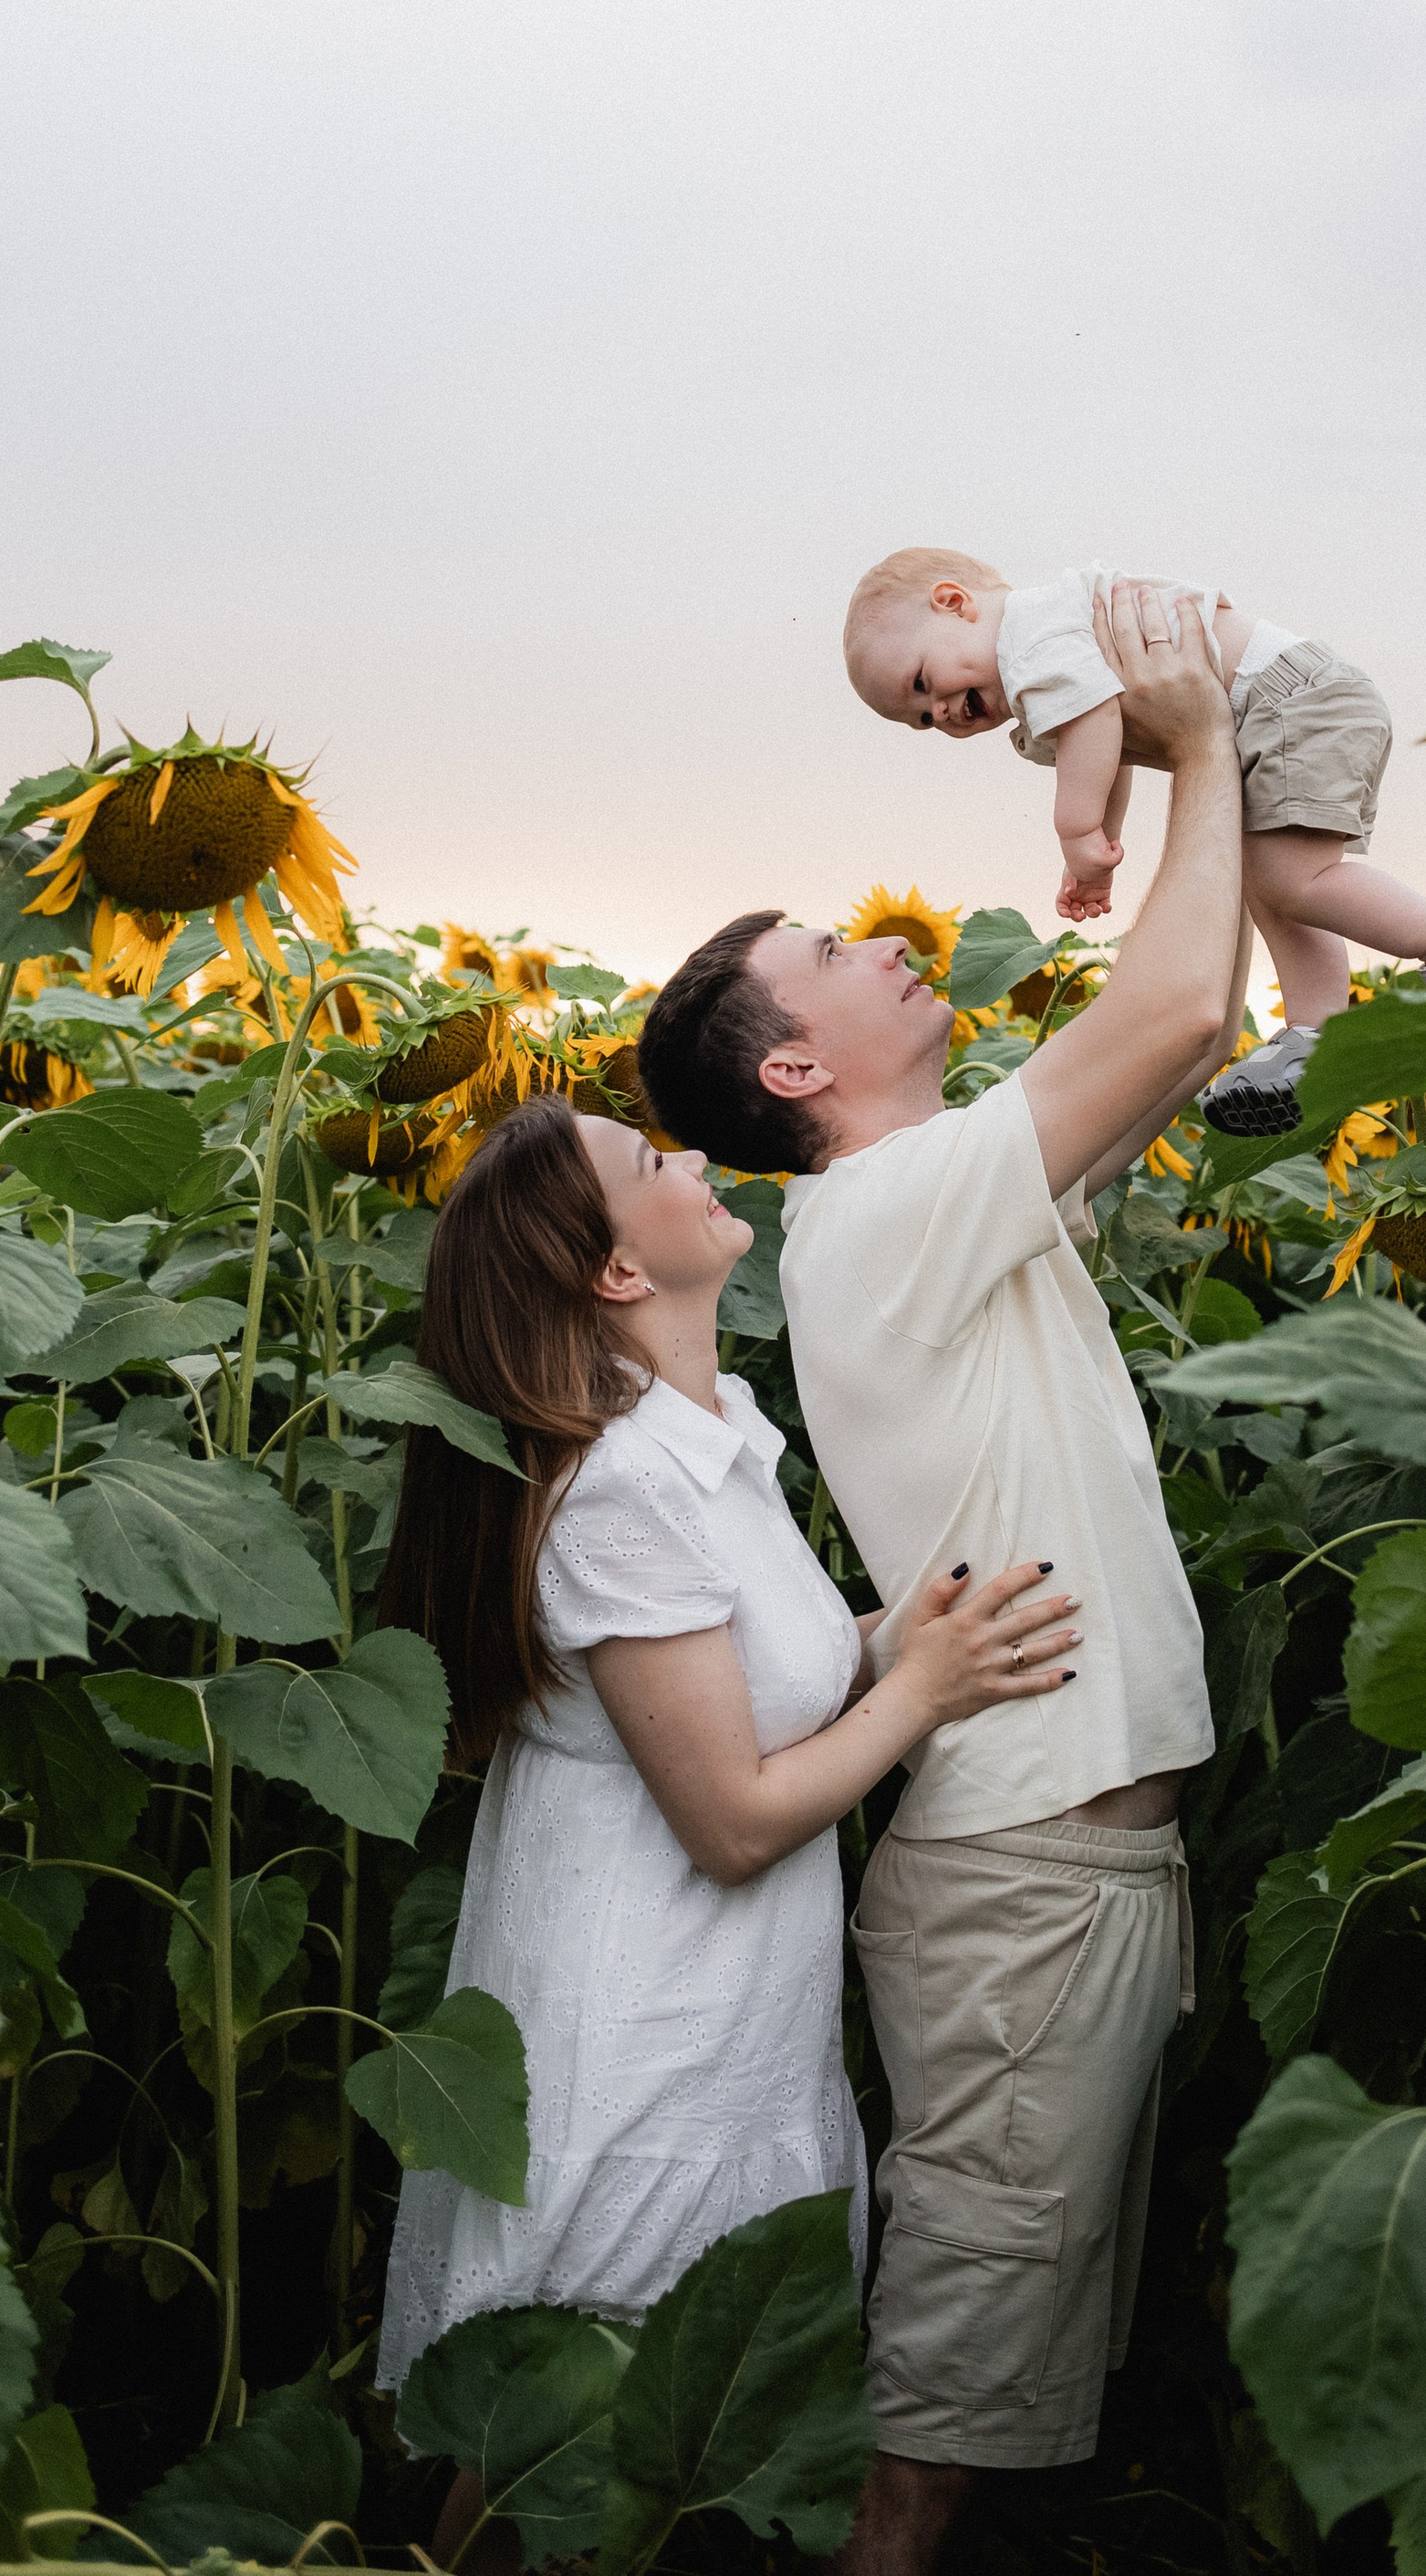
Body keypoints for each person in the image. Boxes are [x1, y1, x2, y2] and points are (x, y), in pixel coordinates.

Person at [635, 582, 1254, 2576]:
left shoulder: (944, 1193)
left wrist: (1169, 765)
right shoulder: (882, 1210)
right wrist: (1199, 743)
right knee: (946, 2385)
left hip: (1065, 1866)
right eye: (825, 954)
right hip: (1023, 1881)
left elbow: (1198, 1026)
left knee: (1006, 2338)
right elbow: (1158, 1010)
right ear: (794, 1075)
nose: (882, 940)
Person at [371, 1093, 1079, 2570]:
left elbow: (767, 1675)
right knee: (560, 2440)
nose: (693, 1159)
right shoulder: (620, 1489)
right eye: (652, 1164)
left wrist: (906, 1636)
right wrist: (931, 1688)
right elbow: (735, 1817)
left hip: (714, 2033)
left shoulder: (698, 1437)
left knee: (615, 2450)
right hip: (640, 2046)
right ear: (617, 1275)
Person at [840, 544, 1426, 1136]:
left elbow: (1092, 728)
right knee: (1273, 883)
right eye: (923, 720)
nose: (939, 712)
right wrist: (1100, 852)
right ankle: (1318, 1034)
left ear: (954, 602)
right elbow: (1108, 748)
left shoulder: (1032, 634)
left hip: (1289, 699)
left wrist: (1076, 831)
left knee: (1292, 880)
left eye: (923, 683)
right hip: (1281, 705)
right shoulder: (1048, 664)